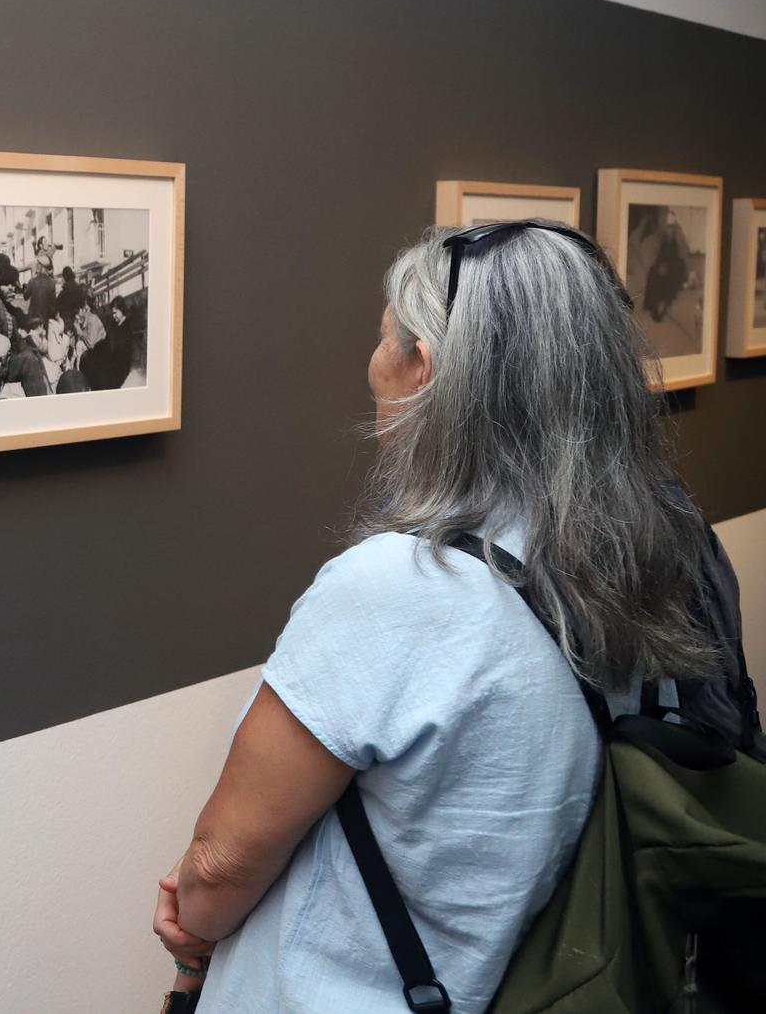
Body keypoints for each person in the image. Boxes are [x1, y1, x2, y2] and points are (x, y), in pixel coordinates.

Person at [151, 221, 743, 1012]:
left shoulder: (401, 585)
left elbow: (224, 861)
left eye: (383, 338)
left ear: (424, 371)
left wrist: (188, 924)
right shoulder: (650, 556)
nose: (372, 364)